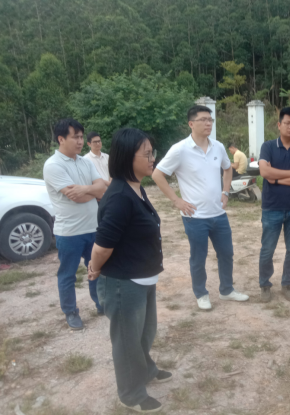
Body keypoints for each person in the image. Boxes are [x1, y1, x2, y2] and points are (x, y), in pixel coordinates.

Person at [88, 128, 170, 414]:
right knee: (126, 341)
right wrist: (95, 269)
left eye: (152, 153)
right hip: (124, 282)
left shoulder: (136, 187)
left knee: (145, 333)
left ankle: (146, 370)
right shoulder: (119, 196)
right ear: (127, 157)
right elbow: (102, 245)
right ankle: (130, 394)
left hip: (143, 276)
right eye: (146, 154)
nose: (152, 159)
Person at [152, 106, 249, 311]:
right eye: (203, 119)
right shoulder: (180, 149)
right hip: (194, 216)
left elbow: (227, 169)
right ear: (191, 124)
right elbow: (157, 174)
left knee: (227, 253)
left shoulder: (218, 147)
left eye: (210, 120)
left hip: (218, 213)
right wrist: (176, 200)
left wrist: (225, 192)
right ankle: (201, 293)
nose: (208, 123)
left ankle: (227, 290)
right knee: (198, 257)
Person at [43, 119, 107, 330]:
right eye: (75, 137)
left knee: (97, 268)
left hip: (93, 228)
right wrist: (92, 191)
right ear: (61, 139)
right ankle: (70, 312)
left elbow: (102, 188)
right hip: (69, 232)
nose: (80, 141)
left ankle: (101, 303)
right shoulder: (53, 165)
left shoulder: (85, 162)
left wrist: (86, 189)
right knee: (68, 275)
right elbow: (76, 197)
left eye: (81, 137)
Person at [258, 107, 290, 303]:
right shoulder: (268, 147)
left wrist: (277, 178)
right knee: (267, 249)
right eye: (287, 123)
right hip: (271, 207)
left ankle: (287, 284)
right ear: (279, 125)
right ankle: (265, 285)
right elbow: (265, 172)